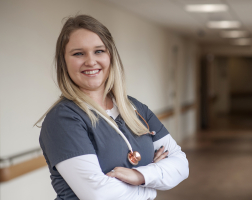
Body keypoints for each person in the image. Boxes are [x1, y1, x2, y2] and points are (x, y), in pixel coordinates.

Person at [37, 14, 189, 200]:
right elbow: (100, 194)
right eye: (78, 53)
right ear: (64, 62)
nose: (91, 61)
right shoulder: (64, 119)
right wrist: (150, 188)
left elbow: (180, 164)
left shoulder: (135, 108)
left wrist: (140, 176)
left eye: (99, 51)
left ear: (111, 56)